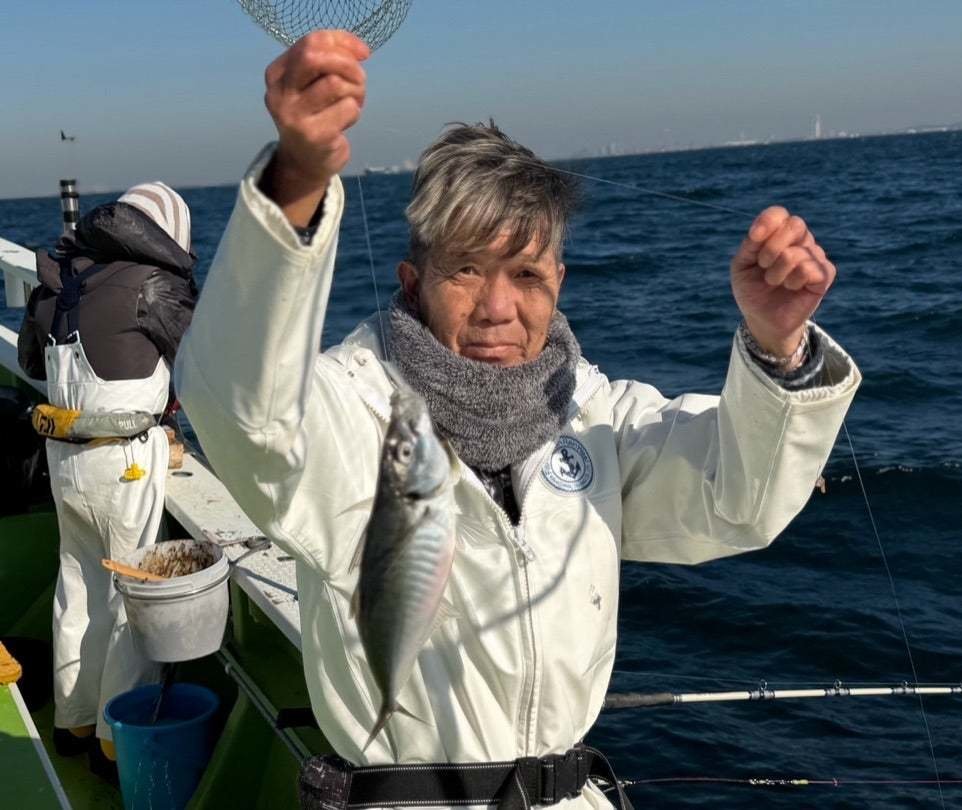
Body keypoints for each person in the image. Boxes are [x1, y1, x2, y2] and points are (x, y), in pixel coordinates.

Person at [175, 31, 860, 810]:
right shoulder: (356, 411)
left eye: (526, 274)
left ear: (558, 282)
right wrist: (295, 181)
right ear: (414, 281)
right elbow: (245, 409)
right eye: (466, 269)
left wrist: (777, 347)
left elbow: (734, 499)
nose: (497, 308)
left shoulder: (596, 416)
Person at [18, 181, 199, 780]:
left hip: (64, 459)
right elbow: (201, 361)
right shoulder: (154, 285)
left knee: (77, 588)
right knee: (132, 600)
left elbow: (29, 361)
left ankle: (71, 722)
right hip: (124, 463)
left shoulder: (57, 281)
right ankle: (112, 742)